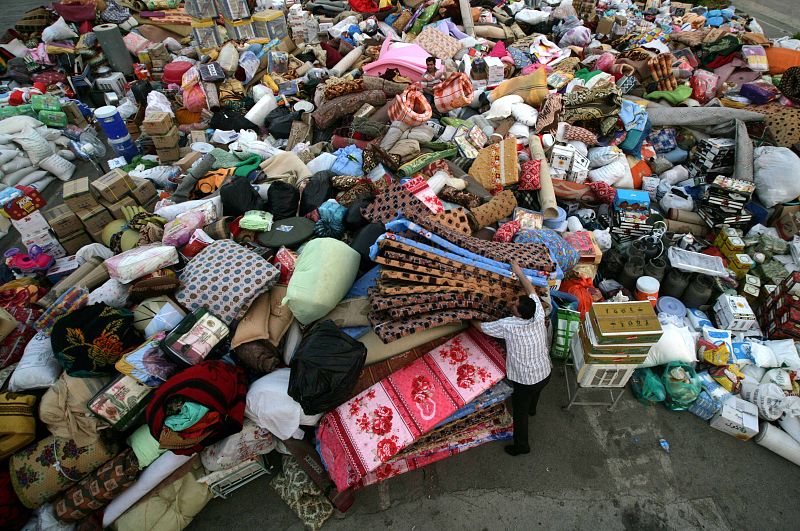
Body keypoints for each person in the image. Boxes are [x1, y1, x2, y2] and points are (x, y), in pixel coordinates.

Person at [476, 261, 551, 456]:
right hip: (544, 373)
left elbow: (482, 328)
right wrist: (518, 271)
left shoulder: (509, 325)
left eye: (514, 306)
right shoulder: (537, 311)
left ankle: (521, 446)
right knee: (536, 392)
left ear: (518, 315)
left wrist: (468, 316)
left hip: (525, 380)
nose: (512, 303)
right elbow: (530, 288)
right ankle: (533, 409)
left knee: (519, 413)